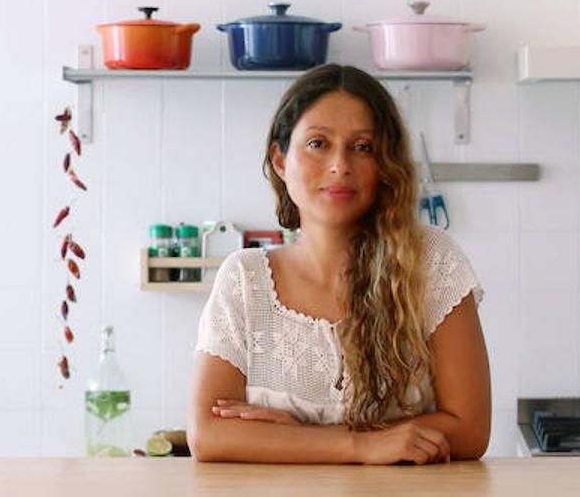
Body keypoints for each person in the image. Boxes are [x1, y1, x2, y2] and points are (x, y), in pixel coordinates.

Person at [187, 64, 491, 464]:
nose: (340, 166)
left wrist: (303, 440)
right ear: (280, 161)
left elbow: (469, 429)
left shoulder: (433, 262)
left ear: (385, 164)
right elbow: (208, 436)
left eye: (362, 147)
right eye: (317, 143)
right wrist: (359, 445)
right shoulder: (244, 280)